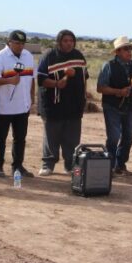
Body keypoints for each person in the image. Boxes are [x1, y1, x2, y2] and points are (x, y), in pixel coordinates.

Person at [37, 29, 89, 176]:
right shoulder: (49, 56)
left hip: (74, 104)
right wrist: (55, 83)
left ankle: (70, 165)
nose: (69, 43)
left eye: (71, 41)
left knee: (72, 138)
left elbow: (84, 79)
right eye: (65, 41)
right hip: (53, 104)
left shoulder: (78, 56)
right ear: (59, 42)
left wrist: (84, 100)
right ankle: (48, 164)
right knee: (51, 136)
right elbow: (40, 80)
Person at [97, 36, 132, 176]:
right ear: (118, 51)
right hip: (112, 107)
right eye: (126, 48)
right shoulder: (108, 65)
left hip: (130, 107)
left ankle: (120, 165)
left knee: (128, 137)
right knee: (113, 137)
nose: (129, 51)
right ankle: (109, 167)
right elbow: (100, 88)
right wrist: (118, 91)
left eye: (130, 48)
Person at [0, 30, 36, 178]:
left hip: (23, 105)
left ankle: (18, 166)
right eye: (17, 43)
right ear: (9, 42)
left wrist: (31, 96)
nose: (20, 46)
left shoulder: (28, 56)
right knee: (1, 137)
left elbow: (32, 78)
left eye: (22, 43)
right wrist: (9, 80)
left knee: (20, 138)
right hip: (4, 106)